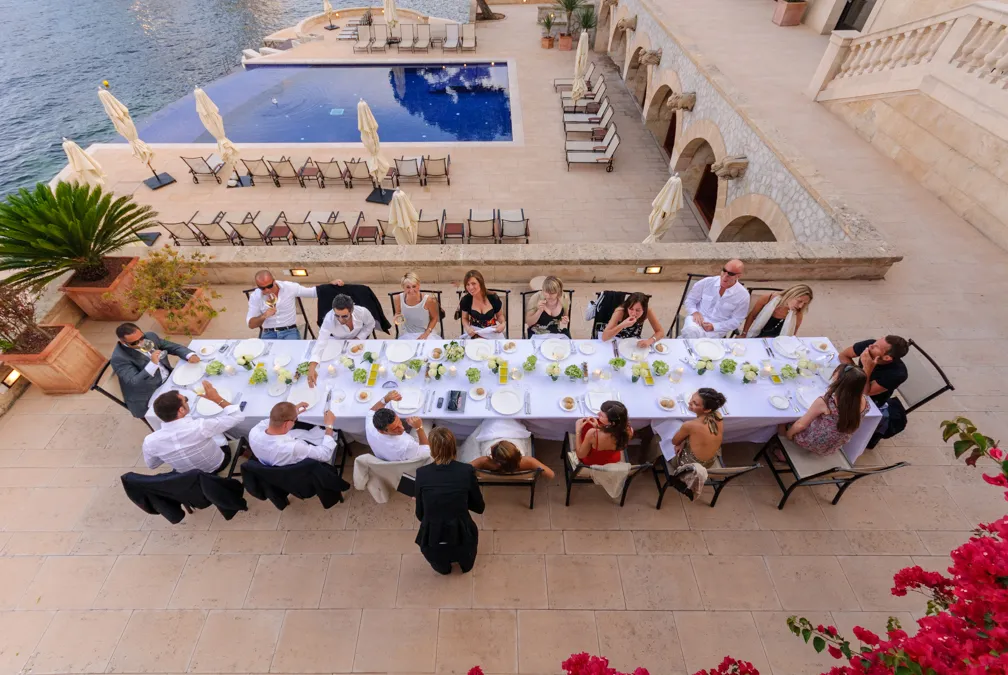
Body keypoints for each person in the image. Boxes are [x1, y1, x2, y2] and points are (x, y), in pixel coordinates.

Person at [414, 427, 485, 575]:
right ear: (453, 447)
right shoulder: (466, 471)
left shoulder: (422, 474)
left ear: (432, 450)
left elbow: (420, 515)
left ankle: (444, 570)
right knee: (467, 560)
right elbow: (479, 507)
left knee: (440, 565)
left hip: (432, 536)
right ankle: (465, 567)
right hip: (462, 532)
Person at [142, 381, 244, 474]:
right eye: (185, 400)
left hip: (186, 475)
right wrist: (216, 398)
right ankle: (243, 450)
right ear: (181, 410)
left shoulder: (150, 441)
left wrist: (170, 453)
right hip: (217, 466)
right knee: (221, 434)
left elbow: (152, 465)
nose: (187, 401)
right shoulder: (199, 427)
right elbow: (237, 417)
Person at [111, 323, 200, 419]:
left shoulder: (150, 337)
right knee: (190, 411)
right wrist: (152, 364)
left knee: (199, 384)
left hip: (169, 378)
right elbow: (134, 382)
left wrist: (190, 355)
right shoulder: (119, 358)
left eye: (142, 337)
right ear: (123, 342)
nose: (141, 343)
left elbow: (172, 347)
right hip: (150, 391)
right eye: (134, 343)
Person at [779, 365, 870, 456]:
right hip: (832, 447)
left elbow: (800, 425)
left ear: (840, 382)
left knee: (782, 420)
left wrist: (788, 435)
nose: (833, 375)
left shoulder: (827, 402)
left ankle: (784, 450)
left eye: (836, 375)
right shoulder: (865, 402)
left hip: (812, 442)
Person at [246, 270, 343, 340]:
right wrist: (264, 316)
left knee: (294, 358)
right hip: (268, 332)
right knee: (265, 363)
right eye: (262, 288)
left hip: (289, 330)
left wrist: (330, 285)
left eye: (269, 286)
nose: (267, 290)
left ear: (274, 281)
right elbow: (251, 324)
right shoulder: (256, 296)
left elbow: (313, 292)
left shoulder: (289, 287)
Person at [306, 294, 377, 387]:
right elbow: (321, 341)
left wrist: (359, 338)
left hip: (359, 343)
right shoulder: (329, 319)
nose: (340, 319)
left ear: (351, 310)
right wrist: (312, 366)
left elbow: (370, 325)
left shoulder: (362, 312)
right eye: (337, 316)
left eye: (344, 316)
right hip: (339, 345)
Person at [248, 401, 338, 466]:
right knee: (325, 433)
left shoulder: (253, 433)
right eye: (295, 420)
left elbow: (273, 419)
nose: (295, 421)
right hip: (301, 467)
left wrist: (292, 412)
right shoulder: (293, 447)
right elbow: (325, 455)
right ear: (287, 424)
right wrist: (329, 425)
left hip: (273, 465)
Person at [681, 259, 750, 339]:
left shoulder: (743, 295)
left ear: (738, 276)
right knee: (690, 332)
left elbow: (737, 320)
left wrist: (714, 327)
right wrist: (695, 312)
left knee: (705, 346)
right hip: (696, 321)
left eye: (730, 274)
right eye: (724, 270)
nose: (725, 276)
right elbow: (690, 300)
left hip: (717, 330)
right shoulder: (706, 282)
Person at [838, 335, 909, 407]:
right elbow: (844, 355)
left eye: (876, 347)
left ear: (887, 358)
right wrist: (854, 373)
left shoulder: (897, 374)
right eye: (875, 342)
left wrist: (867, 369)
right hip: (855, 385)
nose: (871, 346)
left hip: (871, 401)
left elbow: (865, 392)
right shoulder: (871, 345)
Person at [668, 388, 725, 470]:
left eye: (695, 403)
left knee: (668, 426)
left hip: (690, 466)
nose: (689, 402)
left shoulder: (690, 425)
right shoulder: (718, 415)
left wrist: (680, 443)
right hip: (710, 462)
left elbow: (674, 442)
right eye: (692, 398)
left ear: (707, 410)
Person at [365, 391, 430, 462]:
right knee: (427, 420)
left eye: (399, 422)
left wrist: (385, 399)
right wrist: (419, 427)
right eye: (395, 428)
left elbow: (372, 411)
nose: (402, 428)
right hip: (407, 459)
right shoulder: (405, 445)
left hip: (385, 456)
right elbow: (426, 453)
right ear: (382, 431)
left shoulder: (370, 425)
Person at [742, 284, 814, 338]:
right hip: (756, 335)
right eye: (799, 301)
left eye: (804, 303)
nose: (800, 306)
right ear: (791, 295)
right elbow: (752, 316)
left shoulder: (798, 313)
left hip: (778, 343)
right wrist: (744, 334)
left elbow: (793, 334)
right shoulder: (767, 298)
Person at [574, 400, 633, 466]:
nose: (598, 414)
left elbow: (580, 455)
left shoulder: (593, 434)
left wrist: (578, 431)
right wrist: (598, 427)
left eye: (601, 415)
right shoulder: (629, 430)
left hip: (593, 463)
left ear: (612, 423)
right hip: (612, 460)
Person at [471, 440, 556, 479]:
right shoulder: (527, 462)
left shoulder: (484, 461)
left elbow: (462, 470)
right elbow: (551, 474)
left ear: (493, 457)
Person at [393, 272, 441, 340]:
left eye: (414, 286)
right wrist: (397, 317)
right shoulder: (398, 299)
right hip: (407, 334)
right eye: (408, 287)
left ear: (419, 285)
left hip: (426, 333)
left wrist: (426, 334)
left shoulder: (428, 300)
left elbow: (435, 318)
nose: (411, 290)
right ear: (403, 287)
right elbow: (398, 313)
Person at [459, 269, 505, 339]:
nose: (470, 287)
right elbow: (464, 318)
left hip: (492, 332)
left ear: (480, 283)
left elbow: (500, 315)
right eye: (467, 284)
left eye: (473, 283)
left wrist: (503, 324)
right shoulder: (466, 300)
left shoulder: (493, 298)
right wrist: (468, 328)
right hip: (474, 333)